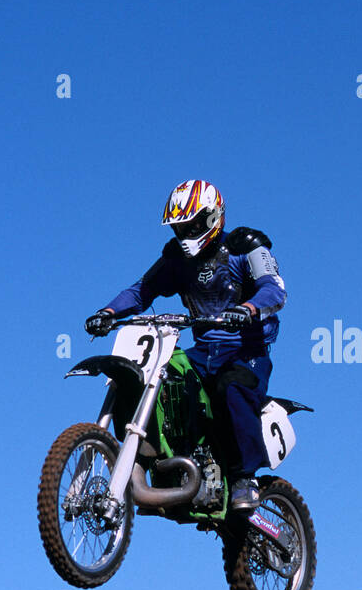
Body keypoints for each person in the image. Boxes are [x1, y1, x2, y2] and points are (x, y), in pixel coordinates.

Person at [85, 180, 286, 512]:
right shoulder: (177, 260)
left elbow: (274, 289)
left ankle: (244, 480)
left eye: (190, 224)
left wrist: (248, 309)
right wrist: (107, 312)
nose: (184, 232)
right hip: (203, 351)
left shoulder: (245, 248)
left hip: (246, 353)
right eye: (179, 226)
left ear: (212, 218)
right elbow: (141, 291)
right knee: (163, 375)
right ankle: (164, 457)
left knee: (230, 389)